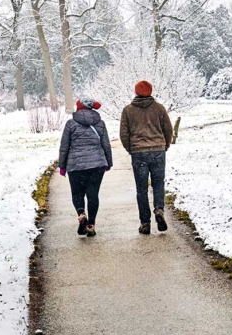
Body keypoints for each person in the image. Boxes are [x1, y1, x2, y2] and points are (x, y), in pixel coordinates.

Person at [119, 80, 174, 235]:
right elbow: (168, 130)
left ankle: (145, 223)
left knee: (141, 189)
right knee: (158, 184)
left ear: (136, 92)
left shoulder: (128, 111)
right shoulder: (159, 109)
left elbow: (124, 134)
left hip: (139, 153)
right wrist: (164, 146)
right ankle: (159, 210)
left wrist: (131, 149)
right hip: (158, 151)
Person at [59, 97, 113, 237]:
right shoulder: (100, 123)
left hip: (75, 165)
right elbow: (106, 144)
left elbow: (64, 146)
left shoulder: (70, 124)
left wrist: (62, 165)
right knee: (93, 194)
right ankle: (91, 225)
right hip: (97, 165)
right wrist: (108, 162)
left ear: (79, 108)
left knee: (77, 193)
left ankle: (81, 214)